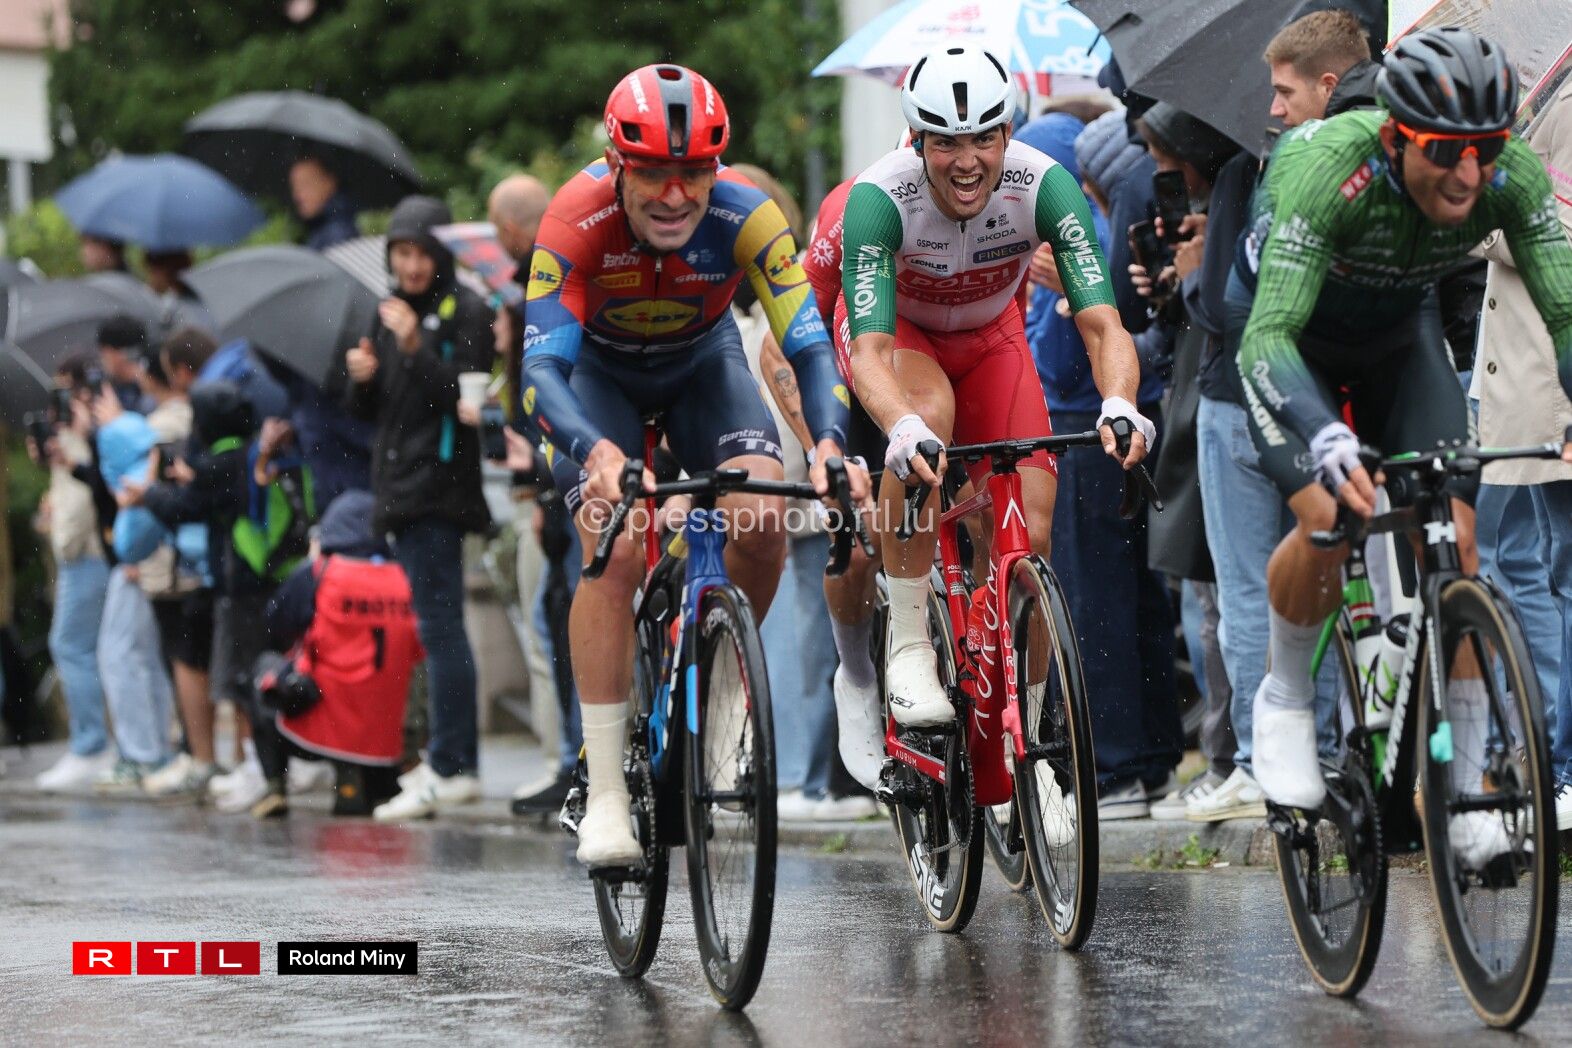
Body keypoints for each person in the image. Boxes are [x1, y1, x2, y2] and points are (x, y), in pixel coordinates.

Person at [1235, 29, 1572, 868]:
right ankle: (1285, 695)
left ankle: (1462, 791)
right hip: (1293, 339)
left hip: (1398, 335)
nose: (1469, 174)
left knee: (1458, 543)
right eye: (1446, 152)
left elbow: (1566, 315)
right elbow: (1268, 337)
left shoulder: (1507, 176)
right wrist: (1325, 432)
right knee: (1329, 513)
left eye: (1486, 150)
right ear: (1395, 137)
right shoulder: (1326, 169)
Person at [521, 64, 860, 865]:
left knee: (763, 516)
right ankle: (606, 788)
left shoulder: (748, 214)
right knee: (615, 543)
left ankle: (724, 695)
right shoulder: (574, 217)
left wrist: (828, 443)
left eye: (695, 172)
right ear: (616, 164)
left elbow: (810, 345)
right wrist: (597, 452)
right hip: (594, 379)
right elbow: (540, 371)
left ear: (717, 167)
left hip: (701, 366)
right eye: (653, 174)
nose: (675, 196)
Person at [837, 44, 1149, 748]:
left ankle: (1029, 739)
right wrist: (900, 424)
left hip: (990, 339)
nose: (967, 160)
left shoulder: (1046, 185)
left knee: (1030, 536)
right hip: (904, 334)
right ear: (917, 140)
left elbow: (1104, 325)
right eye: (946, 142)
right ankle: (909, 641)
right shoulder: (880, 198)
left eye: (983, 137)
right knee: (928, 418)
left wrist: (1120, 403)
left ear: (1008, 131)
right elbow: (870, 354)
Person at [1019, 110, 1180, 819]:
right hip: (1115, 426)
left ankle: (1113, 770)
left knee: (1095, 600)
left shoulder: (1073, 240)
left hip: (1084, 430)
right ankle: (1152, 757)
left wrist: (1058, 295)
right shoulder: (1096, 232)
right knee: (1136, 594)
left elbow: (1062, 363)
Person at [345, 194, 494, 821]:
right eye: (401, 253)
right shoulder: (387, 311)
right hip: (399, 491)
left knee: (441, 626)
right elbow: (373, 413)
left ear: (441, 254)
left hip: (440, 493)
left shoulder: (469, 310)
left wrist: (414, 348)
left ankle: (453, 764)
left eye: (421, 253)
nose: (410, 266)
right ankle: (447, 759)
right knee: (434, 628)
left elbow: (465, 399)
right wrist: (362, 377)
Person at [1467, 80, 1572, 828]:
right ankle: (1548, 760)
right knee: (1538, 565)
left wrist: (1474, 200)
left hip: (1548, 384)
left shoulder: (1568, 109)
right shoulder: (1554, 100)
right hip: (1524, 382)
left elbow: (1551, 233)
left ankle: (1559, 766)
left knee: (1551, 572)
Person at [483, 172, 584, 817]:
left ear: (511, 230)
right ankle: (576, 758)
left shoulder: (537, 285)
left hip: (562, 473)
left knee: (568, 613)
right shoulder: (559, 266)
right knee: (561, 610)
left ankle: (577, 761)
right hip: (568, 466)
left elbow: (546, 390)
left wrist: (544, 482)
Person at [245, 490, 423, 818]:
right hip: (386, 732)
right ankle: (374, 781)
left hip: (323, 724)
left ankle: (275, 786)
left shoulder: (320, 572)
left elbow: (275, 626)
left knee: (263, 670)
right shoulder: (405, 578)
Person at [90, 351, 192, 792]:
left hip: (155, 559)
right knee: (155, 657)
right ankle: (161, 752)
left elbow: (136, 485)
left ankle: (148, 753)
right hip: (153, 559)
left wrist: (113, 428)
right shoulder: (157, 419)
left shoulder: (163, 423)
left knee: (130, 655)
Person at [31, 357, 112, 791]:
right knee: (90, 648)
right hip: (87, 553)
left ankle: (90, 745)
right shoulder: (77, 433)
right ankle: (97, 743)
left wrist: (64, 541)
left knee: (70, 645)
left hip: (84, 555)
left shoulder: (84, 431)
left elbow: (83, 500)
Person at [292, 156, 360, 251]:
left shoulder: (338, 232)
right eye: (295, 187)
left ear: (329, 182)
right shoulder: (320, 228)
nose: (297, 196)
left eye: (305, 184)